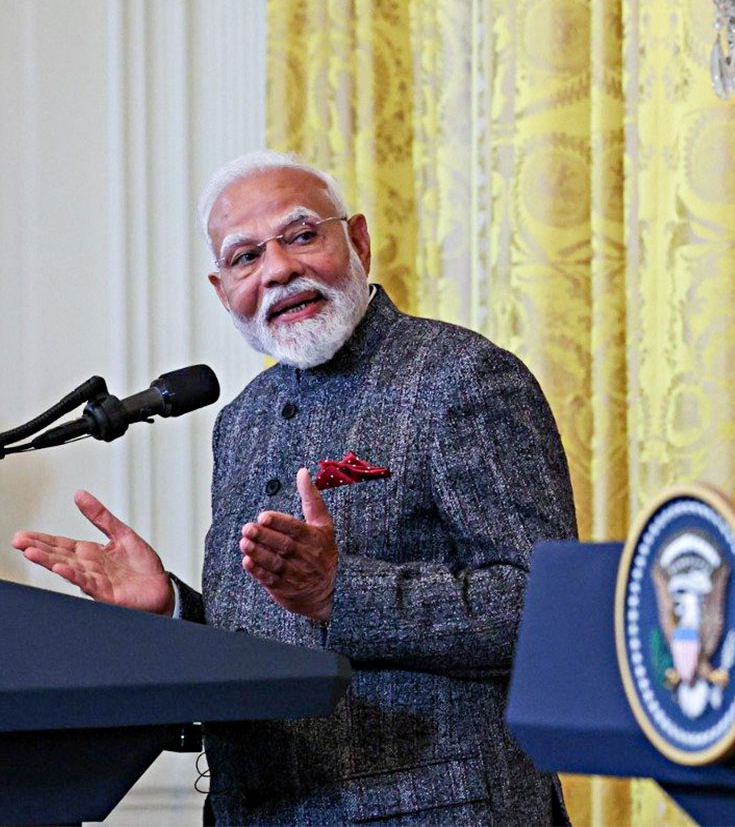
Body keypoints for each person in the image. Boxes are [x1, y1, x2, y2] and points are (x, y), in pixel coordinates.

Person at [13, 151, 578, 825]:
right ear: (224, 291)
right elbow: (270, 641)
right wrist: (170, 611)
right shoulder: (240, 423)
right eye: (246, 256)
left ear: (359, 241)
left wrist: (342, 592)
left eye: (303, 235)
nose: (279, 268)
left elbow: (549, 613)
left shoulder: (461, 377)